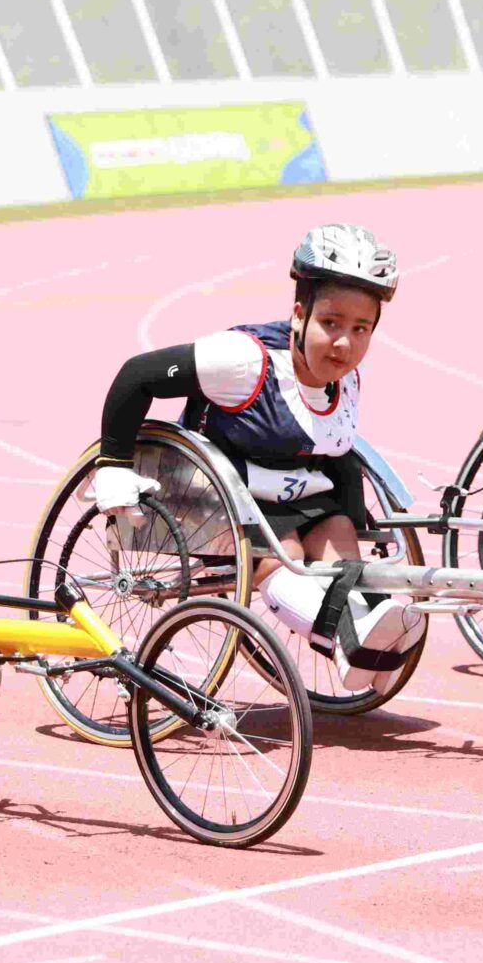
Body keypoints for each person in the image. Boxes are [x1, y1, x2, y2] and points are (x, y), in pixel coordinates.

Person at [88, 224, 421, 694]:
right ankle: (344, 637)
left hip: (295, 487)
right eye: (331, 323)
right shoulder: (243, 360)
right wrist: (114, 465)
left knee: (340, 548)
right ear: (300, 314)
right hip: (221, 496)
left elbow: (338, 454)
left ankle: (369, 633)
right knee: (288, 556)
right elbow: (135, 376)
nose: (344, 343)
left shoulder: (346, 378)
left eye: (360, 329)